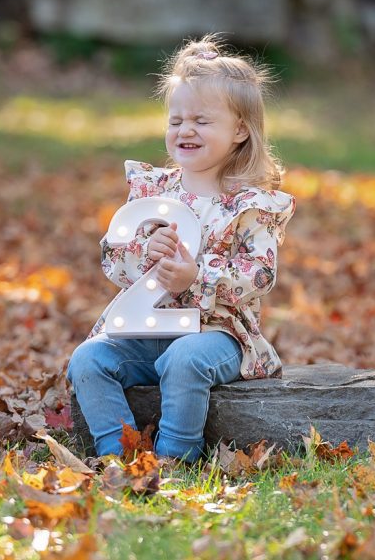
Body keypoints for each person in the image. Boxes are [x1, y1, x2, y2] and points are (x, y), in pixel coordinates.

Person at [66, 35, 296, 462]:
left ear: (240, 131)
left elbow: (259, 275)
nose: (185, 130)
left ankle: (176, 458)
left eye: (202, 121)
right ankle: (117, 456)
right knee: (88, 359)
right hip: (148, 330)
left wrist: (199, 276)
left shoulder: (249, 204)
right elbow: (113, 258)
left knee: (185, 358)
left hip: (217, 333)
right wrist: (144, 251)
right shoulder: (155, 192)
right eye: (176, 121)